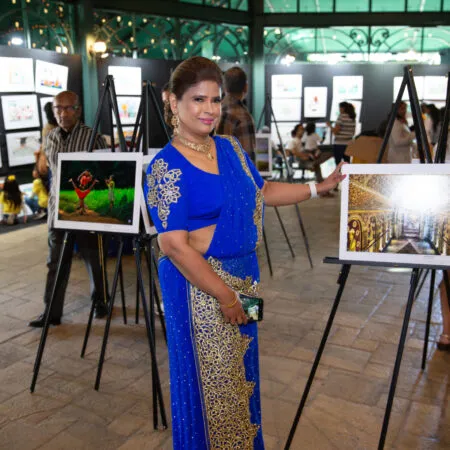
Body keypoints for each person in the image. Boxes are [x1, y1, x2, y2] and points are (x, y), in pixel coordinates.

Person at [144, 56, 344, 449]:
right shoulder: (165, 167)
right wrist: (226, 296)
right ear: (173, 101)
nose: (209, 109)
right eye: (198, 99)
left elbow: (264, 191)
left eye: (215, 100)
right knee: (214, 390)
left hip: (246, 277)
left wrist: (318, 188)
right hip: (202, 288)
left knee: (244, 376)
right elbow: (173, 245)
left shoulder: (230, 147)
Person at [29, 90, 109, 328]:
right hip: (57, 211)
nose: (62, 113)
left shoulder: (92, 137)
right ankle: (51, 312)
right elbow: (50, 171)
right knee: (55, 262)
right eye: (58, 108)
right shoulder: (50, 137)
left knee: (92, 258)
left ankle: (100, 301)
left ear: (78, 110)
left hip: (84, 211)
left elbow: (103, 172)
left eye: (67, 108)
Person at [216, 66, 256, 161]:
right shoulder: (243, 118)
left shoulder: (214, 111)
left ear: (224, 87)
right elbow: (247, 160)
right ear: (246, 87)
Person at [327, 101, 356, 165]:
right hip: (349, 144)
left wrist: (329, 125)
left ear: (343, 108)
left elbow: (336, 132)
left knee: (338, 164)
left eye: (339, 108)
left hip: (339, 144)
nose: (339, 110)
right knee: (347, 163)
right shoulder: (352, 117)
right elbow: (353, 133)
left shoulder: (341, 116)